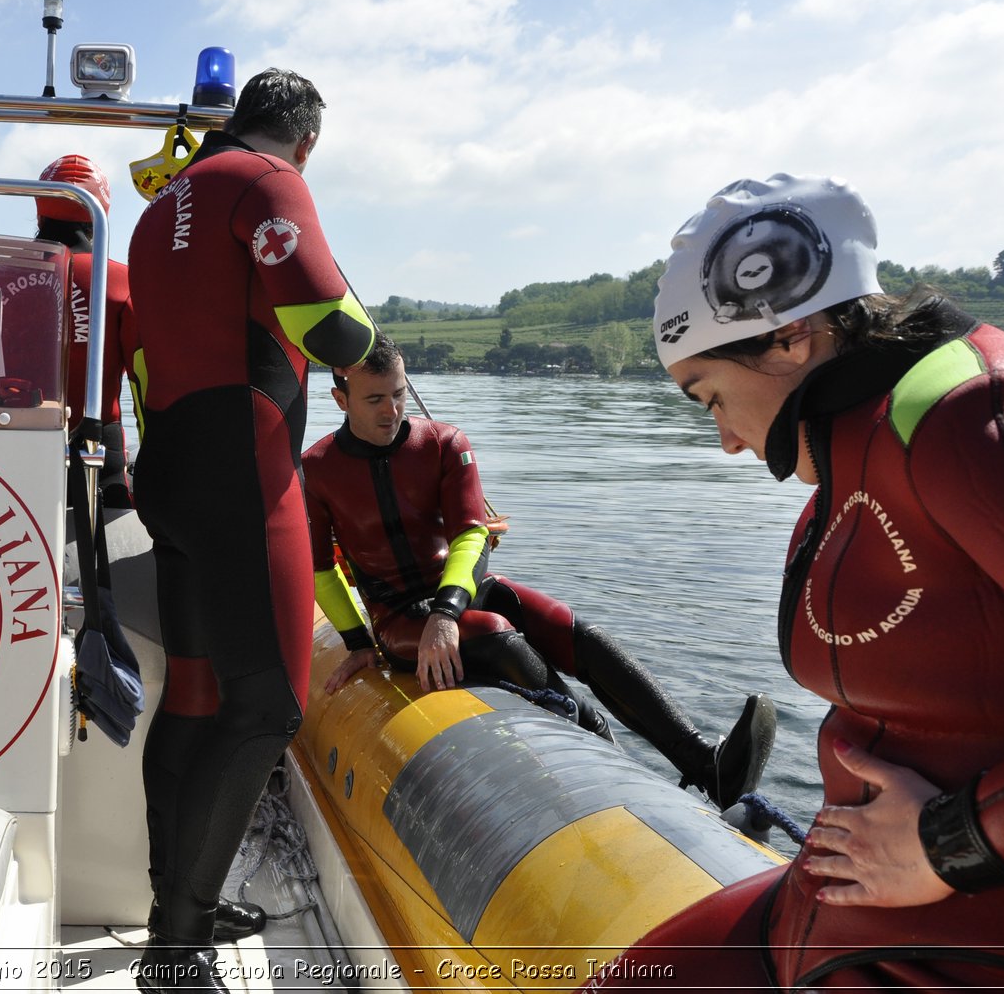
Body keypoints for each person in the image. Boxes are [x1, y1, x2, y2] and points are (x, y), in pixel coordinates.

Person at [587, 174, 1004, 989]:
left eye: (710, 399)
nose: (728, 441)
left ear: (789, 337)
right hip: (834, 911)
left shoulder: (980, 416)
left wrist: (957, 841)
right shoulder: (857, 449)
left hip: (981, 944)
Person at [125, 68, 375, 992]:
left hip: (172, 468)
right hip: (243, 466)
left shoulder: (161, 210)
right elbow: (332, 331)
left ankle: (171, 906)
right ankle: (178, 949)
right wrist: (361, 307)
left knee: (194, 698)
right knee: (267, 707)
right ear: (306, 140)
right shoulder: (272, 182)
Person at [305, 332, 777, 807]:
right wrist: (359, 642)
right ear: (340, 399)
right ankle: (605, 750)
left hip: (458, 593)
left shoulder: (445, 444)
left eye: (400, 393)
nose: (392, 410)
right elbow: (321, 569)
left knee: (568, 627)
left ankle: (704, 762)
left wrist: (446, 613)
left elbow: (471, 534)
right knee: (494, 631)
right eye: (375, 399)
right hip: (399, 618)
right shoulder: (318, 469)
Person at [33, 153, 134, 509]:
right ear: (99, 215)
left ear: (39, 211)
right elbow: (147, 385)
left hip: (14, 447)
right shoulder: (121, 281)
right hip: (100, 454)